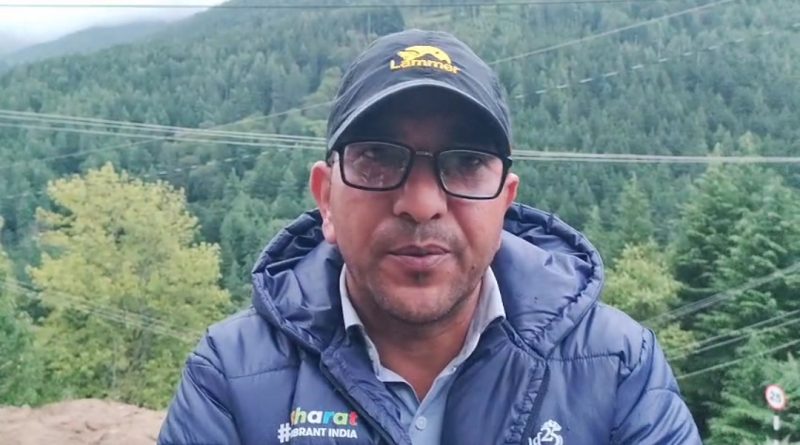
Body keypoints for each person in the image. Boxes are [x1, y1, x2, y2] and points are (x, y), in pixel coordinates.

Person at [158, 29, 700, 445]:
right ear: (326, 198)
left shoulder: (618, 366)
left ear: (505, 203)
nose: (421, 204)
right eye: (377, 158)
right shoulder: (230, 376)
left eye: (466, 163)